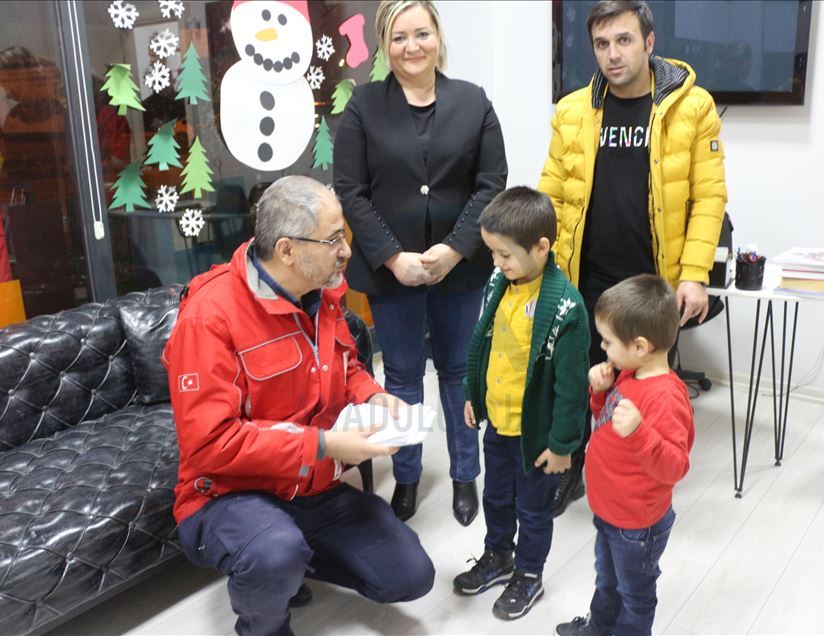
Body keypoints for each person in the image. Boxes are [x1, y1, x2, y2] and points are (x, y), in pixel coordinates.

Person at [163, 176, 435, 636]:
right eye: (333, 240)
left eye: (344, 235)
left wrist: (372, 395)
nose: (346, 250)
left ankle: (291, 560)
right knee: (275, 553)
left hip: (310, 486)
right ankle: (266, 616)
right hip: (228, 495)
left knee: (411, 575)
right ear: (286, 249)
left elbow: (346, 365)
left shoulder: (323, 291)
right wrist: (325, 445)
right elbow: (210, 444)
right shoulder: (210, 315)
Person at [538, 0, 726, 515]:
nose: (613, 54)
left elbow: (708, 198)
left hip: (651, 286)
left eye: (624, 40)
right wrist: (543, 267)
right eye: (602, 44)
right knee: (578, 381)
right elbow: (552, 194)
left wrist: (694, 275)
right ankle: (574, 466)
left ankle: (639, 483)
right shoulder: (572, 110)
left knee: (647, 390)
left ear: (649, 41)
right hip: (586, 277)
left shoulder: (692, 106)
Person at [334, 0, 507, 525]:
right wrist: (392, 258)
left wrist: (455, 249)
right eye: (399, 37)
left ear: (438, 37)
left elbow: (491, 183)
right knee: (402, 377)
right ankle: (406, 478)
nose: (412, 47)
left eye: (422, 34)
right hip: (393, 273)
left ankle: (464, 476)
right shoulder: (364, 105)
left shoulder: (473, 102)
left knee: (459, 373)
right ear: (385, 45)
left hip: (461, 269)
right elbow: (351, 191)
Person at [455, 187, 589, 621]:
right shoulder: (499, 284)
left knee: (533, 510)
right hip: (499, 424)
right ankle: (498, 555)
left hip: (537, 437)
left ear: (541, 248)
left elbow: (572, 389)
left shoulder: (566, 307)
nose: (497, 263)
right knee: (496, 497)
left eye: (505, 255)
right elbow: (482, 345)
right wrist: (473, 394)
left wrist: (563, 445)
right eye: (492, 253)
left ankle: (530, 573)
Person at [555, 274, 694, 636]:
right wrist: (601, 392)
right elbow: (607, 422)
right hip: (610, 512)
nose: (602, 347)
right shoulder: (629, 374)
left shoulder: (666, 397)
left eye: (608, 341)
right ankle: (600, 628)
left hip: (638, 526)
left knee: (635, 596)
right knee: (607, 581)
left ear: (640, 346)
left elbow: (675, 466)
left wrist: (640, 432)